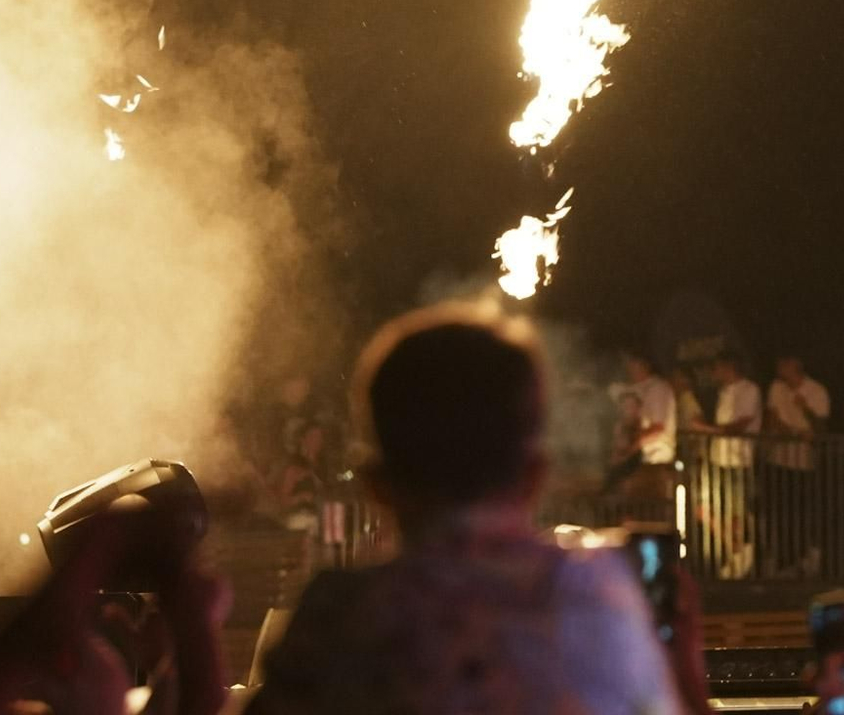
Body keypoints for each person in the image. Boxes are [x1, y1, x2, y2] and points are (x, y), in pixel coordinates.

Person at [244, 300, 703, 715]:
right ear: (536, 476)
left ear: (376, 485)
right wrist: (687, 682)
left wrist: (190, 618)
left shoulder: (339, 618)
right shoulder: (600, 597)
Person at [688, 352, 762, 579]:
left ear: (729, 367)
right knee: (704, 508)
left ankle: (740, 558)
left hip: (738, 460)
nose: (714, 373)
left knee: (735, 513)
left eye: (717, 368)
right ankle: (738, 551)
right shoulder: (723, 392)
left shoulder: (749, 390)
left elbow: (738, 426)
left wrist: (706, 429)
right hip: (718, 459)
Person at [763, 354, 831, 577]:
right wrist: (793, 433)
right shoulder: (776, 388)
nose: (780, 371)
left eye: (784, 366)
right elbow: (772, 419)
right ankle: (783, 560)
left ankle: (805, 557)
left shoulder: (816, 391)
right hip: (779, 459)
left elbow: (819, 429)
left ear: (795, 367)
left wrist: (805, 409)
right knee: (780, 512)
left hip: (803, 463)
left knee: (802, 511)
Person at [615, 350, 679, 503]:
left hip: (654, 462)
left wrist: (629, 451)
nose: (629, 369)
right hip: (636, 461)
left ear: (644, 365)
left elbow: (658, 428)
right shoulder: (635, 389)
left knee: (651, 509)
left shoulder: (658, 389)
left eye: (632, 365)